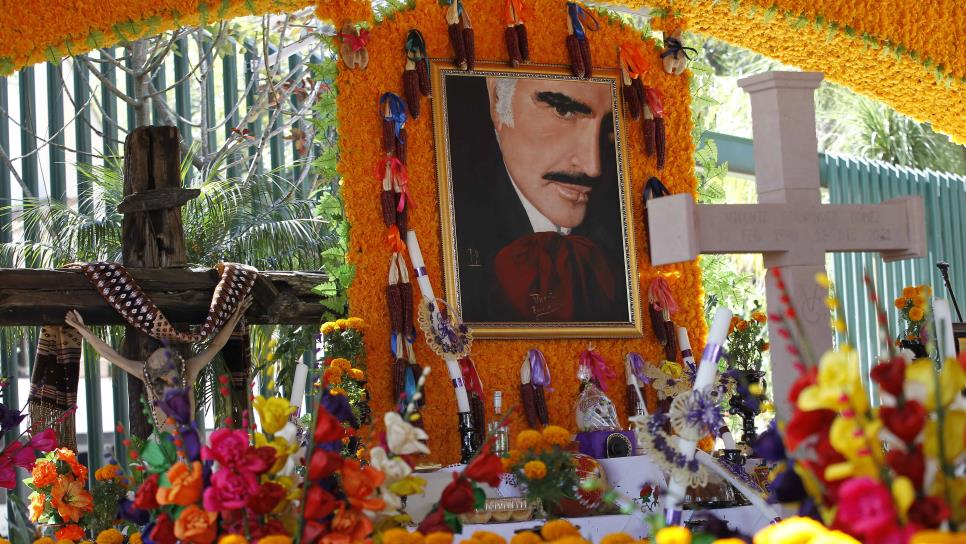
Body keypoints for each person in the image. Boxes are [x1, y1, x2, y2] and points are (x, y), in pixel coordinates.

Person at [447, 75, 629, 323]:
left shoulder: (623, 234)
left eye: (610, 127)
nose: (592, 166)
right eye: (563, 110)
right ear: (498, 99)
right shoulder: (451, 226)